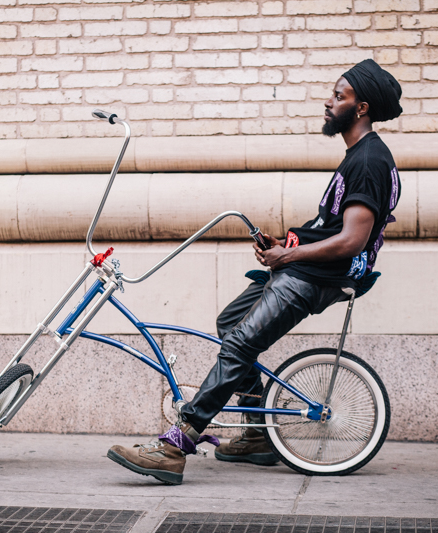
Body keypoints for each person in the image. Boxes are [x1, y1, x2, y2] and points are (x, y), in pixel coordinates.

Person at [107, 59, 404, 485]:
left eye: (339, 96)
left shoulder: (370, 160)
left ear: (362, 108)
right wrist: (284, 248)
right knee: (231, 324)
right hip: (306, 269)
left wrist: (289, 259)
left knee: (241, 342)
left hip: (317, 278)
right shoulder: (357, 156)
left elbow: (352, 241)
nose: (328, 102)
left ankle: (175, 446)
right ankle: (257, 436)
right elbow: (332, 229)